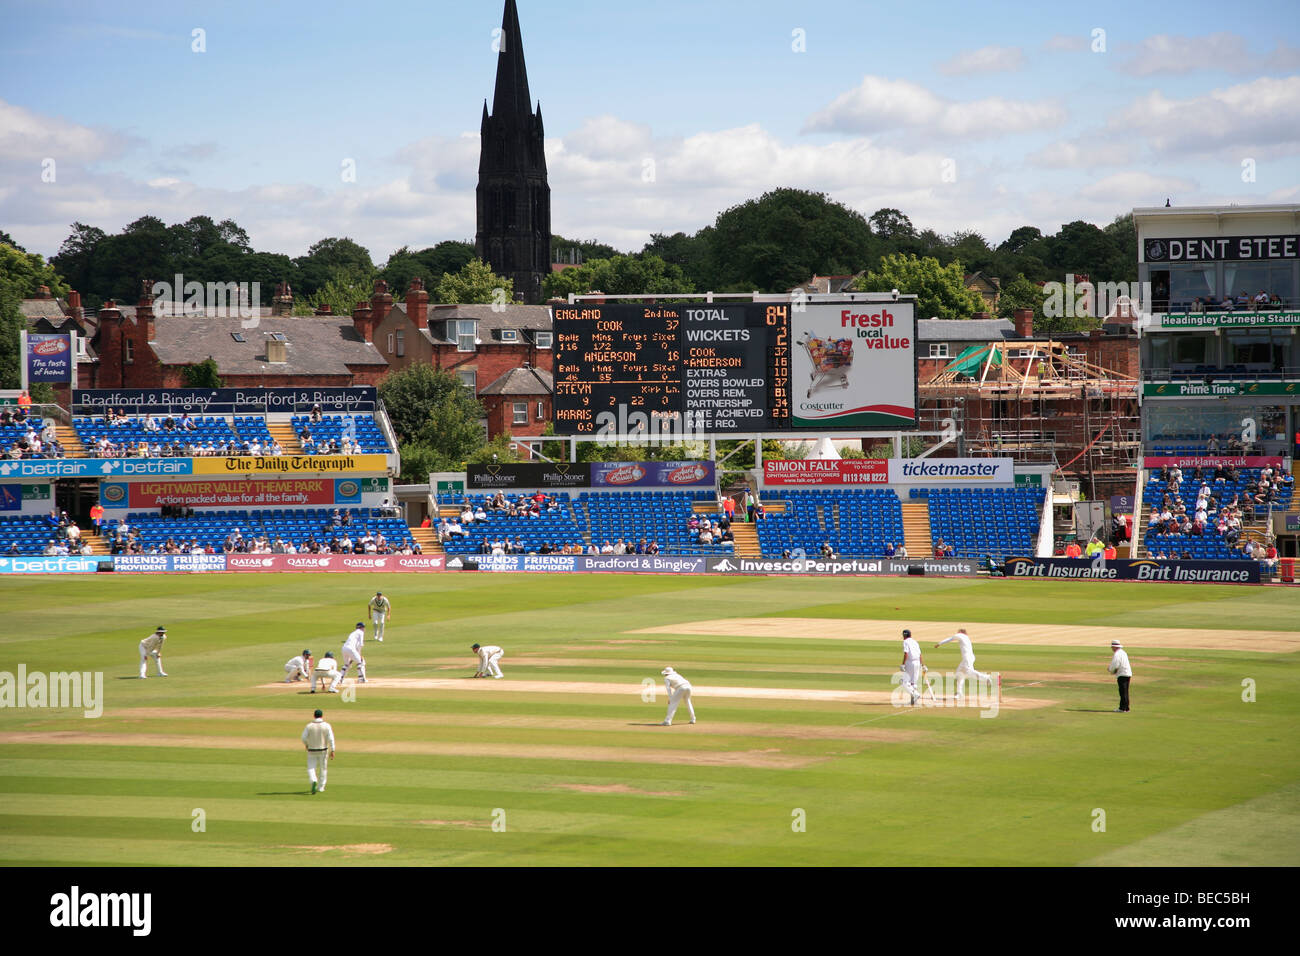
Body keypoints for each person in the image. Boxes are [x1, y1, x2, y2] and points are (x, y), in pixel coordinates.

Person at [933, 628, 993, 701]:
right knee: (959, 674)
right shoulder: (966, 638)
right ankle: (959, 693)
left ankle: (986, 677)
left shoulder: (960, 635)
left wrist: (939, 644)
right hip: (968, 658)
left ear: (960, 632)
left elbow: (950, 639)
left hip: (967, 658)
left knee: (969, 672)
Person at [302, 708, 335, 794]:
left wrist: (307, 744)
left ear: (314, 716)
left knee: (311, 768)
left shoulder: (309, 726)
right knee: (323, 768)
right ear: (322, 716)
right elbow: (331, 738)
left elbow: (303, 737)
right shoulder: (327, 725)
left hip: (311, 750)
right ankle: (321, 787)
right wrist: (333, 749)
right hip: (323, 750)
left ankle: (313, 780)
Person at [899, 628, 924, 706]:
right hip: (917, 663)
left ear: (904, 635)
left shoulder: (905, 642)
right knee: (913, 683)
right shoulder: (915, 642)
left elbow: (906, 653)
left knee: (904, 682)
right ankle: (913, 701)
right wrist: (923, 665)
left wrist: (903, 664)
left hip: (910, 662)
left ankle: (916, 694)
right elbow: (920, 654)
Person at [1107, 640, 1132, 712]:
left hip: (1122, 674)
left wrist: (1111, 670)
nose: (1112, 648)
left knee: (1123, 691)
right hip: (1127, 673)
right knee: (1125, 691)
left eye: (1112, 647)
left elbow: (1115, 664)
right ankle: (1126, 708)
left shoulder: (1117, 654)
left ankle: (1122, 708)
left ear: (1115, 647)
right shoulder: (1123, 652)